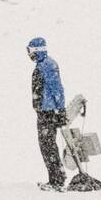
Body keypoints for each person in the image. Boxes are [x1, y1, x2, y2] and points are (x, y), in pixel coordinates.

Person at [27, 37, 67, 192]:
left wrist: (60, 110)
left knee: (47, 145)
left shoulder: (47, 66)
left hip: (48, 112)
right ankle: (56, 176)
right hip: (44, 111)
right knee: (47, 145)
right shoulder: (43, 65)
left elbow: (57, 89)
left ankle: (56, 179)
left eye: (30, 51)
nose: (29, 54)